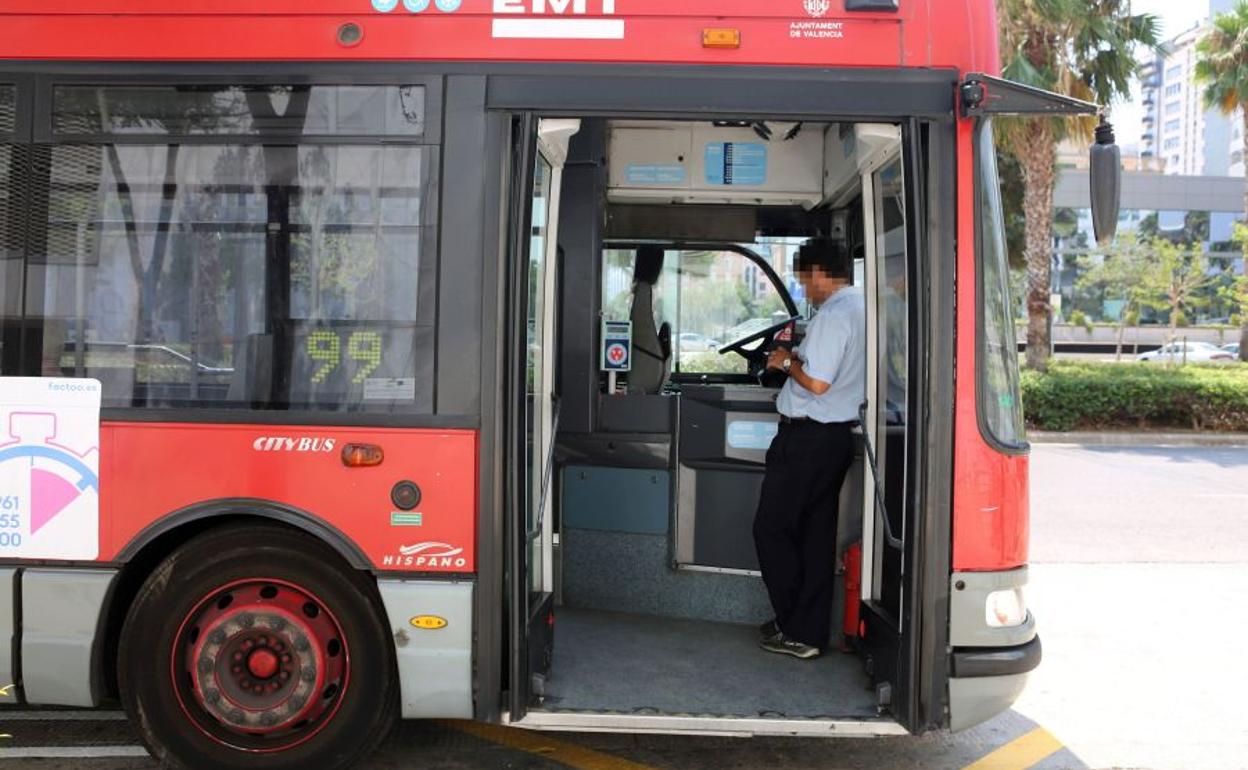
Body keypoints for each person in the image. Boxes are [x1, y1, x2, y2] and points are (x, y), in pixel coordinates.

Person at [753, 237, 865, 659]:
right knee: (815, 539)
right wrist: (798, 358)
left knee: (771, 529)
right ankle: (806, 630)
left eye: (804, 279)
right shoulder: (862, 309)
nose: (804, 287)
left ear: (820, 273)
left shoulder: (834, 315)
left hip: (806, 439)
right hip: (833, 439)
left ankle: (793, 625)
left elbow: (818, 383)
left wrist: (784, 363)